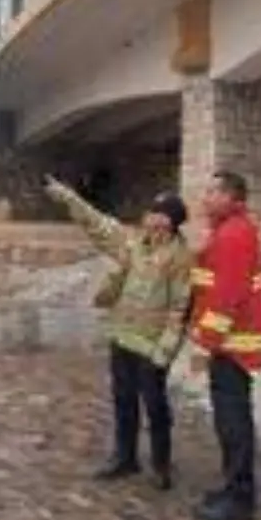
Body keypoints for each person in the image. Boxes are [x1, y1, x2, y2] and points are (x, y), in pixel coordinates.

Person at [43, 175, 193, 490]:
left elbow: (180, 308)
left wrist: (164, 351)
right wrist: (70, 198)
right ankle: (125, 457)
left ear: (173, 225)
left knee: (155, 404)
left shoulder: (181, 259)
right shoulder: (133, 244)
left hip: (152, 346)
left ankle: (161, 464)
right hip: (122, 336)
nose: (154, 225)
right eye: (153, 217)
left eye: (163, 221)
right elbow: (99, 225)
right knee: (123, 399)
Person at [186, 170, 261, 520]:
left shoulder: (234, 234)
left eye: (212, 192)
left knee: (233, 423)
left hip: (232, 348)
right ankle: (232, 487)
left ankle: (240, 498)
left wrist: (204, 345)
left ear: (231, 197)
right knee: (229, 421)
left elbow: (227, 297)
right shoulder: (230, 231)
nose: (205, 198)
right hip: (231, 345)